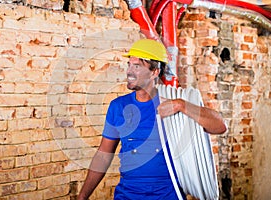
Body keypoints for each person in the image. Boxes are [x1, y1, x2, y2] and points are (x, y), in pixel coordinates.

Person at [77, 39, 227, 200]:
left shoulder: (174, 103)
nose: (129, 71)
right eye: (129, 64)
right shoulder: (118, 107)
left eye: (137, 66)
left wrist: (182, 105)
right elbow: (103, 156)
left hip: (168, 195)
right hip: (127, 195)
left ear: (155, 72)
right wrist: (82, 197)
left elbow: (220, 126)